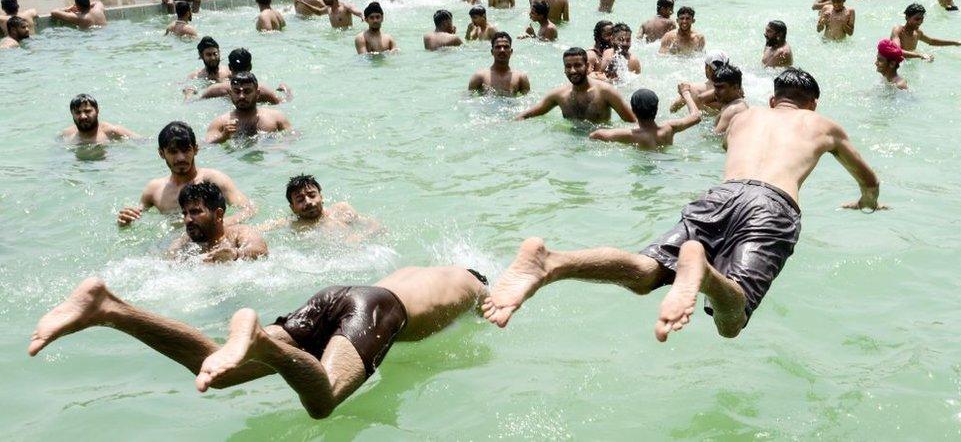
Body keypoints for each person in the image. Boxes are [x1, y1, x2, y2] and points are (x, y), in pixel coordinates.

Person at [483, 68, 885, 341]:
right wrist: (867, 202)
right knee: (732, 320)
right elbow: (869, 180)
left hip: (721, 195)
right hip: (773, 205)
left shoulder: (744, 116)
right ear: (813, 103)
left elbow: (730, 145)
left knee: (646, 273)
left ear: (773, 97)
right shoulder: (823, 124)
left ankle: (553, 262)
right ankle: (704, 275)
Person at [30, 263, 489, 419]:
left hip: (340, 294)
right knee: (324, 401)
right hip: (378, 310)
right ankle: (264, 344)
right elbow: (494, 304)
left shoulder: (428, 273)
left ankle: (110, 308)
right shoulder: (473, 284)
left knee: (219, 365)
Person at [117, 121, 254, 226]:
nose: (181, 158)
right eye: (173, 151)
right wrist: (125, 220)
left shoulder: (214, 180)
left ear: (195, 149)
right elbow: (136, 217)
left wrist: (212, 224)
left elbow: (248, 210)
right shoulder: (153, 190)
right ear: (161, 153)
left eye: (186, 150)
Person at [516, 48, 635, 124]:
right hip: (570, 150)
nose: (573, 70)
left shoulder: (606, 92)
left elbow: (632, 122)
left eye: (578, 65)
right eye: (568, 66)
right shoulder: (559, 95)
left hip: (598, 150)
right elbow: (526, 115)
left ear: (587, 66)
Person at [589, 85, 701, 149]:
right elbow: (696, 116)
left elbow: (595, 135)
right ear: (656, 109)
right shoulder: (669, 128)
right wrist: (685, 93)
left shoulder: (630, 135)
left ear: (633, 110)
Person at [206, 73, 293, 143]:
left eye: (247, 91)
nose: (241, 96)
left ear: (257, 93)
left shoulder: (276, 117)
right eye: (236, 92)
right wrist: (223, 137)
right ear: (230, 94)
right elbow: (207, 144)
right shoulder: (220, 122)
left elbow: (293, 137)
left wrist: (280, 147)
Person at [191, 47, 291, 104]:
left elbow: (192, 102)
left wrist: (188, 93)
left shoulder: (217, 89)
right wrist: (287, 91)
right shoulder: (261, 90)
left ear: (230, 67)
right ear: (250, 66)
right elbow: (284, 103)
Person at [890, 3, 961, 61]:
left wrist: (956, 43)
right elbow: (897, 51)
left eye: (922, 19)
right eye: (917, 19)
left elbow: (932, 41)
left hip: (910, 61)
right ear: (907, 18)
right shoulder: (898, 30)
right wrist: (920, 55)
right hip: (894, 64)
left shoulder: (918, 33)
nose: (920, 22)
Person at [468, 32, 531, 96]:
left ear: (511, 52)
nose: (502, 50)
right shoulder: (479, 77)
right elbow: (469, 100)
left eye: (506, 47)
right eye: (498, 47)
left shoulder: (521, 78)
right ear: (492, 52)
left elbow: (527, 101)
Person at [59, 93, 138, 144]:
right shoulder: (66, 135)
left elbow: (143, 142)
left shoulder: (113, 132)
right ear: (72, 114)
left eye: (87, 111)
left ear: (97, 111)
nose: (83, 116)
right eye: (78, 112)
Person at [712, 64, 749, 135]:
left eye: (721, 87)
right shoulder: (736, 103)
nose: (716, 92)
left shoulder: (732, 110)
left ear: (735, 87)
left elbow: (714, 138)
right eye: (715, 87)